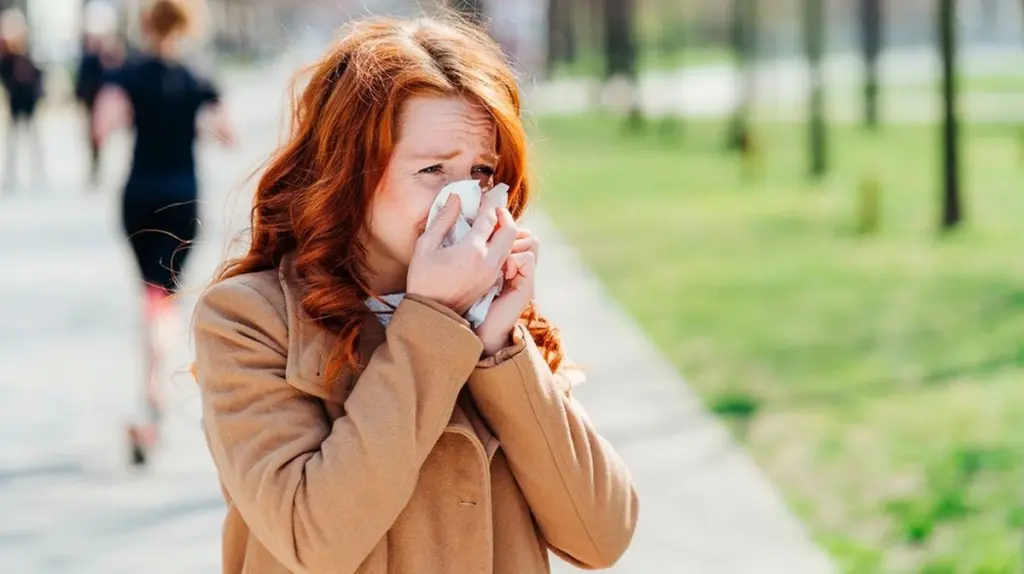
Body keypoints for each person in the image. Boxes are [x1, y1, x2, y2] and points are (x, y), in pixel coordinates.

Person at [192, 14, 638, 574]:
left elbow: (604, 536)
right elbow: (314, 539)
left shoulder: (492, 318)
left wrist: (502, 346)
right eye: (432, 169)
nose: (465, 198)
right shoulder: (248, 319)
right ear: (348, 171)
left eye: (480, 171)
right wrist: (432, 322)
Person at [92, 0, 234, 465]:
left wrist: (127, 118)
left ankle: (151, 391)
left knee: (150, 293)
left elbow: (102, 125)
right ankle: (155, 391)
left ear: (147, 25)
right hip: (182, 199)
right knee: (165, 296)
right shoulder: (198, 77)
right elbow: (226, 132)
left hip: (137, 197)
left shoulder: (128, 74)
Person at [75, 1, 123, 186]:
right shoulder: (88, 57)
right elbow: (82, 80)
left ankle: (99, 168)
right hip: (90, 100)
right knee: (91, 137)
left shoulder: (108, 55)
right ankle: (94, 169)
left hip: (102, 100)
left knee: (101, 136)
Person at [0, 9, 44, 190]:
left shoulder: (29, 53)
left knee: (33, 140)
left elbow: (37, 76)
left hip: (29, 102)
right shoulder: (7, 58)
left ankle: (38, 174)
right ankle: (11, 175)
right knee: (13, 142)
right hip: (15, 102)